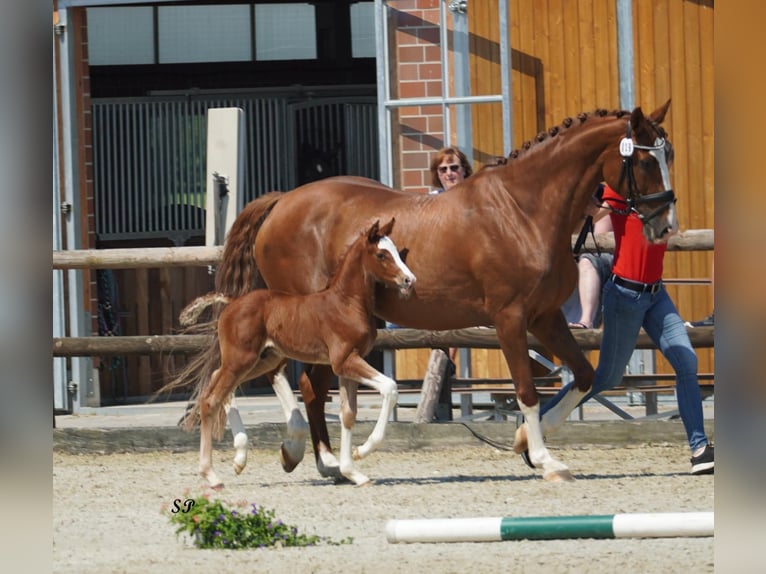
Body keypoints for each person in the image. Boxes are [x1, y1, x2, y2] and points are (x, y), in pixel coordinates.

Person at [532, 183, 714, 475]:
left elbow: (671, 229)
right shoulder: (617, 193)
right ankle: (537, 424)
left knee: (686, 362)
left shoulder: (660, 193)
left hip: (656, 294)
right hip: (624, 296)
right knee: (606, 377)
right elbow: (583, 198)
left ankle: (700, 449)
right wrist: (591, 203)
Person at [428, 146, 473, 364]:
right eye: (442, 169)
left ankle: (445, 362)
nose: (448, 173)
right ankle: (444, 363)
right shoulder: (431, 201)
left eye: (454, 167)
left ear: (464, 170)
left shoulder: (476, 196)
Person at [564, 213, 614, 329]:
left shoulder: (603, 202)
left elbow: (599, 242)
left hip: (596, 262)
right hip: (564, 271)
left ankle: (586, 320)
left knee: (587, 260)